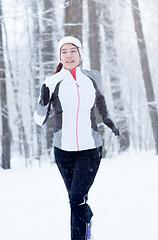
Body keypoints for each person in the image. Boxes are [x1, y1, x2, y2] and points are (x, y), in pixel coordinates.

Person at [34, 36, 120, 240]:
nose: (69, 55)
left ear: (80, 53)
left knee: (76, 198)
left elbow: (101, 103)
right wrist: (43, 101)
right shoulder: (52, 82)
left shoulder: (92, 77)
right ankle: (86, 220)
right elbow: (39, 120)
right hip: (63, 152)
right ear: (60, 56)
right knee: (76, 200)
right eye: (64, 51)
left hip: (91, 149)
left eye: (73, 50)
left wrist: (109, 121)